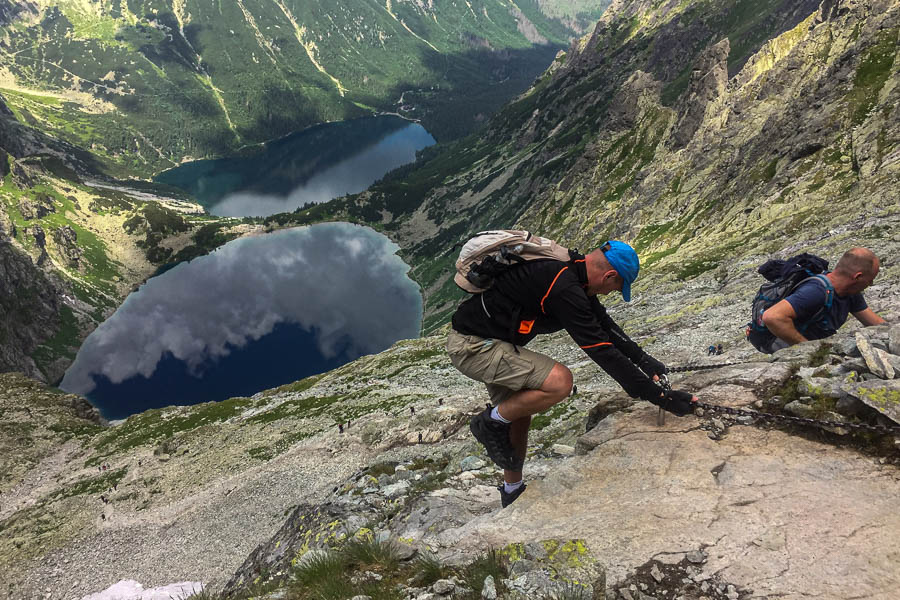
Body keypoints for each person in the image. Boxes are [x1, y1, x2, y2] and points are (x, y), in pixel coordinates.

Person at [447, 240, 698, 508]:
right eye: (615, 287)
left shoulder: (574, 271)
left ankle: (512, 491)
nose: (610, 293)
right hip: (474, 348)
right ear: (609, 275)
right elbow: (601, 350)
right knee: (560, 382)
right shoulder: (564, 288)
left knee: (519, 414)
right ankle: (489, 421)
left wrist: (645, 361)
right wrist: (661, 398)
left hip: (489, 341)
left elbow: (604, 326)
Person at [761, 247, 886, 350]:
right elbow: (772, 317)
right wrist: (808, 348)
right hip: (779, 342)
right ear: (857, 277)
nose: (870, 285)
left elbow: (875, 323)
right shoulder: (815, 292)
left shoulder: (851, 292)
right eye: (870, 280)